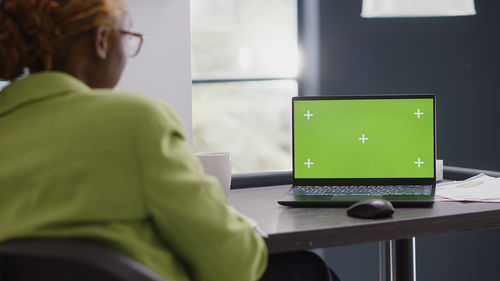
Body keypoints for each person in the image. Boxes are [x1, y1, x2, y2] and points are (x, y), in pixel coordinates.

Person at [0, 1, 340, 281]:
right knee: (306, 269)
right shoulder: (134, 121)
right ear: (101, 40)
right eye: (129, 37)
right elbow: (233, 263)